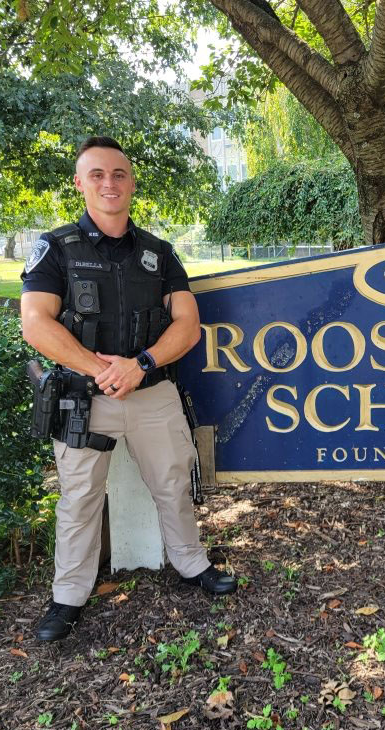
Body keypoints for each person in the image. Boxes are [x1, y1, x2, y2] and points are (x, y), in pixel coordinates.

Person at [20, 136, 236, 643]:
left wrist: (140, 365)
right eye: (96, 174)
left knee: (174, 484)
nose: (109, 183)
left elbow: (187, 324)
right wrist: (101, 370)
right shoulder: (56, 248)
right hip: (84, 399)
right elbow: (36, 323)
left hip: (150, 392)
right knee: (78, 500)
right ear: (80, 184)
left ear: (132, 183)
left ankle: (191, 565)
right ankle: (68, 597)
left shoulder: (159, 254)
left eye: (118, 174)